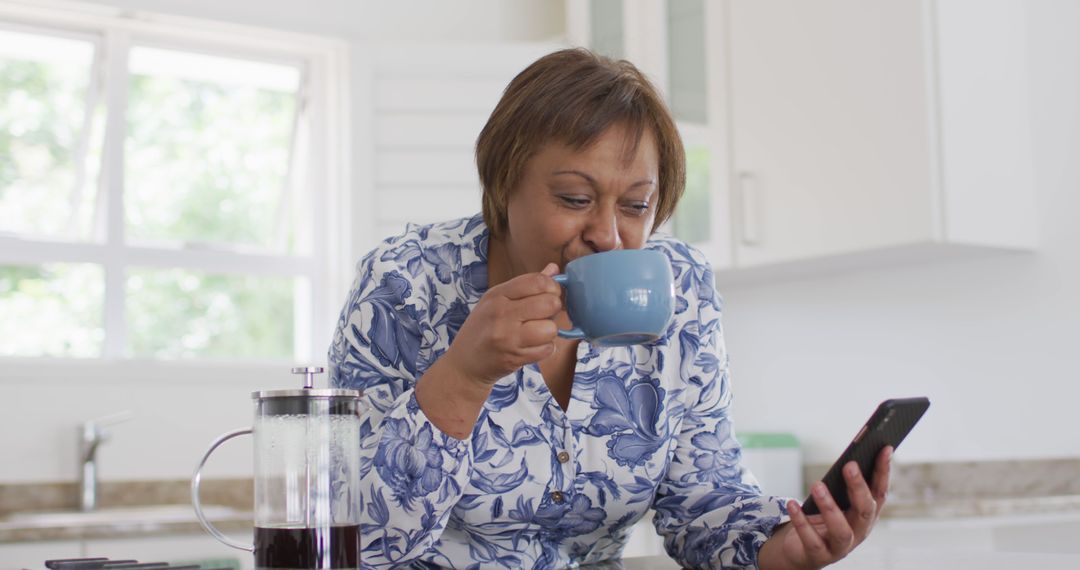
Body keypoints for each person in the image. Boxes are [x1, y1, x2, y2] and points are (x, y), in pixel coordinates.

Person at [328, 47, 891, 569]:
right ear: (503, 183)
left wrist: (784, 548)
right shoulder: (405, 283)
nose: (608, 235)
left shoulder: (682, 287)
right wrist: (464, 376)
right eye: (574, 199)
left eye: (636, 206)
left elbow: (703, 501)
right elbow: (355, 543)